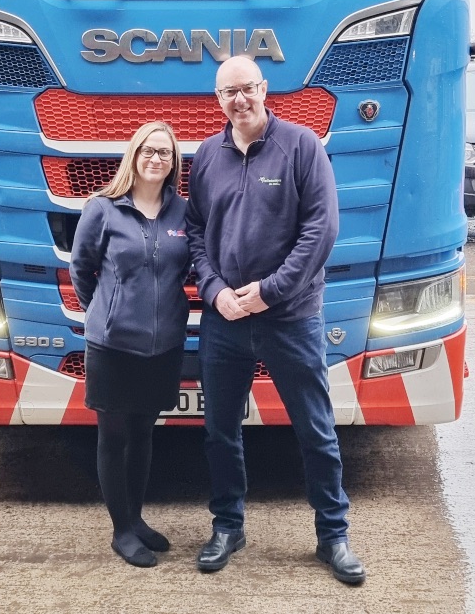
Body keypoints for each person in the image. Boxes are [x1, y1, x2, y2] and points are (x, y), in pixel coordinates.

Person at [186, 56, 366, 586]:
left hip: (290, 318)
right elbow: (195, 231)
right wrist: (215, 292)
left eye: (247, 88)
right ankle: (228, 526)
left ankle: (333, 535)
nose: (239, 100)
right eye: (228, 92)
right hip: (224, 320)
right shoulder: (207, 156)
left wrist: (269, 292)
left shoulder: (301, 147)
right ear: (217, 99)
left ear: (264, 89)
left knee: (315, 429)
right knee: (220, 431)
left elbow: (321, 229)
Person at [70, 122, 190, 568]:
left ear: (174, 162)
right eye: (148, 151)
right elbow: (81, 269)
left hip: (164, 346)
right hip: (113, 346)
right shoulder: (102, 209)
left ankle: (136, 519)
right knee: (114, 435)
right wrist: (105, 312)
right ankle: (121, 531)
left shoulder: (183, 213)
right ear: (134, 156)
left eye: (165, 152)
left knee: (143, 433)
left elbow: (190, 268)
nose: (156, 159)